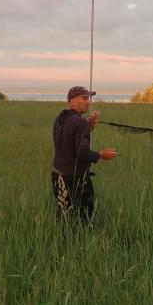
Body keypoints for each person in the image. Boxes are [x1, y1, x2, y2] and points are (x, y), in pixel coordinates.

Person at [51, 86, 118, 223]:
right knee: (84, 218)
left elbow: (68, 139)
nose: (88, 102)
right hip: (75, 179)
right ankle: (80, 241)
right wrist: (101, 155)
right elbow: (82, 154)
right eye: (84, 98)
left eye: (88, 98)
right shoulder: (80, 123)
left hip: (57, 176)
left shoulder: (59, 119)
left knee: (64, 217)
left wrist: (88, 128)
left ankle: (64, 242)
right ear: (73, 101)